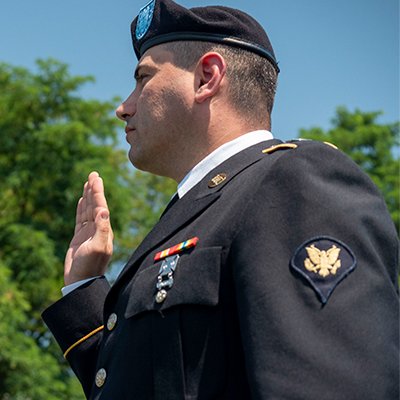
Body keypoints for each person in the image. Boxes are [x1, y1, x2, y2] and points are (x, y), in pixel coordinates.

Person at [42, 0, 399, 399]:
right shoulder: (206, 209)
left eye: (144, 78)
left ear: (207, 77)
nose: (123, 107)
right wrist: (85, 287)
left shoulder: (290, 182)